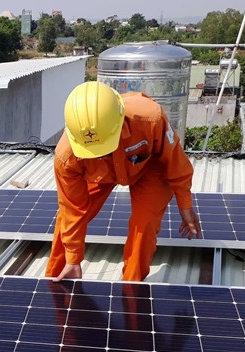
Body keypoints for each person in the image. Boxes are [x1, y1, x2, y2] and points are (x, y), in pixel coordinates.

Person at [46, 81, 202, 282]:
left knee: (144, 224)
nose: (102, 153)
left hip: (149, 168)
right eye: (95, 151)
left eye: (105, 147)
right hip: (100, 174)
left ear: (120, 122)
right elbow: (72, 208)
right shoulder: (67, 157)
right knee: (66, 222)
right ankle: (56, 279)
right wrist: (73, 260)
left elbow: (175, 162)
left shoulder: (150, 119)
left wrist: (185, 204)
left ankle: (131, 286)